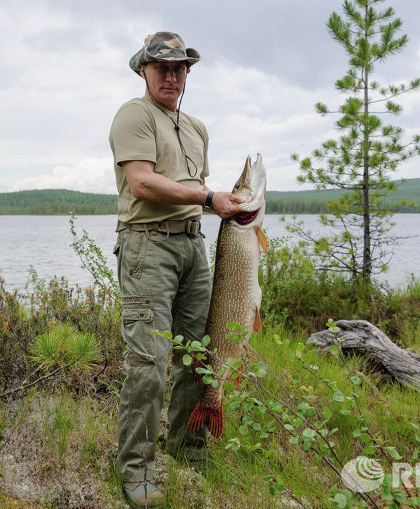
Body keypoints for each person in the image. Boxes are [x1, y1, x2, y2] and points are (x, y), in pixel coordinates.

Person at [109, 32, 242, 509]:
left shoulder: (196, 127)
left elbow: (191, 189)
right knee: (148, 365)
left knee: (197, 355)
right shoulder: (134, 115)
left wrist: (226, 208)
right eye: (161, 67)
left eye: (179, 68)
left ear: (188, 73)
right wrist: (210, 198)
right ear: (143, 70)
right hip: (148, 249)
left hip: (193, 247)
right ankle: (136, 471)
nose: (171, 75)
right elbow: (143, 183)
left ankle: (188, 451)